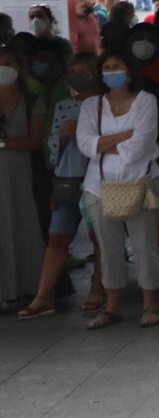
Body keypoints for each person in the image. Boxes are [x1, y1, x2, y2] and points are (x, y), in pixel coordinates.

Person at [77, 49, 159, 329]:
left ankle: (150, 304)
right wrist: (123, 137)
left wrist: (104, 144)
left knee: (143, 246)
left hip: (141, 182)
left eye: (117, 66)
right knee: (109, 249)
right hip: (98, 187)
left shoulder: (146, 101)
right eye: (107, 67)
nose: (112, 71)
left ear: (129, 72)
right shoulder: (92, 106)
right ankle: (112, 306)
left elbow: (141, 146)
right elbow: (85, 144)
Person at [19, 53, 104, 318]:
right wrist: (65, 137)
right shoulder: (64, 105)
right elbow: (53, 149)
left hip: (98, 178)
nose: (77, 75)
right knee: (58, 236)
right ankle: (44, 296)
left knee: (99, 237)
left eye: (84, 70)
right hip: (68, 179)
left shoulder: (107, 105)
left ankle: (98, 287)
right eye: (74, 70)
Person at [0, 45, 45, 310]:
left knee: (21, 224)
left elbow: (34, 140)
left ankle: (27, 286)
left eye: (9, 63)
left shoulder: (31, 100)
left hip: (20, 173)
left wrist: (5, 144)